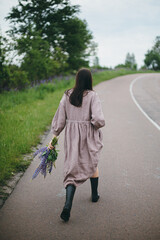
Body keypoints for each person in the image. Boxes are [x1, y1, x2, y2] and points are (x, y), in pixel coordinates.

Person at [48, 68, 105, 222]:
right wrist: (91, 123)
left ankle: (68, 204)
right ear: (90, 80)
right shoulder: (93, 96)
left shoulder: (67, 95)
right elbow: (99, 120)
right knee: (92, 162)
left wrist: (54, 138)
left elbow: (60, 118)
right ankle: (94, 195)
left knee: (71, 168)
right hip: (88, 135)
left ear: (77, 79)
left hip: (72, 137)